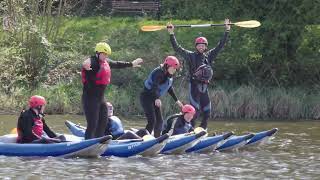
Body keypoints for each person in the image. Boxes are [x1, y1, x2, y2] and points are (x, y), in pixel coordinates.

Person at [167, 19, 231, 129]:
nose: (201, 47)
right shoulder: (190, 55)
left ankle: (202, 130)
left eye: (203, 45)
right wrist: (172, 33)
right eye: (199, 45)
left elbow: (220, 46)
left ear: (206, 47)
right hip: (194, 87)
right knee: (194, 112)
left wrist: (227, 30)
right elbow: (177, 48)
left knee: (207, 112)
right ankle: (189, 130)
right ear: (196, 46)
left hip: (204, 87)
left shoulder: (209, 56)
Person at [82, 42, 143, 139]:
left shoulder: (106, 62)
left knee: (103, 121)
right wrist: (86, 64)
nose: (105, 56)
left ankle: (98, 143)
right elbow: (87, 62)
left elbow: (117, 64)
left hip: (100, 99)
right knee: (92, 124)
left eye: (106, 55)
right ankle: (87, 145)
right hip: (90, 99)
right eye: (103, 54)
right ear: (97, 53)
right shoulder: (93, 60)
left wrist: (131, 64)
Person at [140, 56, 183, 138]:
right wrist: (157, 98)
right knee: (152, 120)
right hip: (147, 97)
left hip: (154, 98)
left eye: (175, 69)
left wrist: (176, 100)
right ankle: (145, 139)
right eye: (172, 68)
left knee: (160, 121)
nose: (174, 70)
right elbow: (154, 86)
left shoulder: (169, 75)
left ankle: (157, 139)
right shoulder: (159, 73)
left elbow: (169, 88)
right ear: (167, 66)